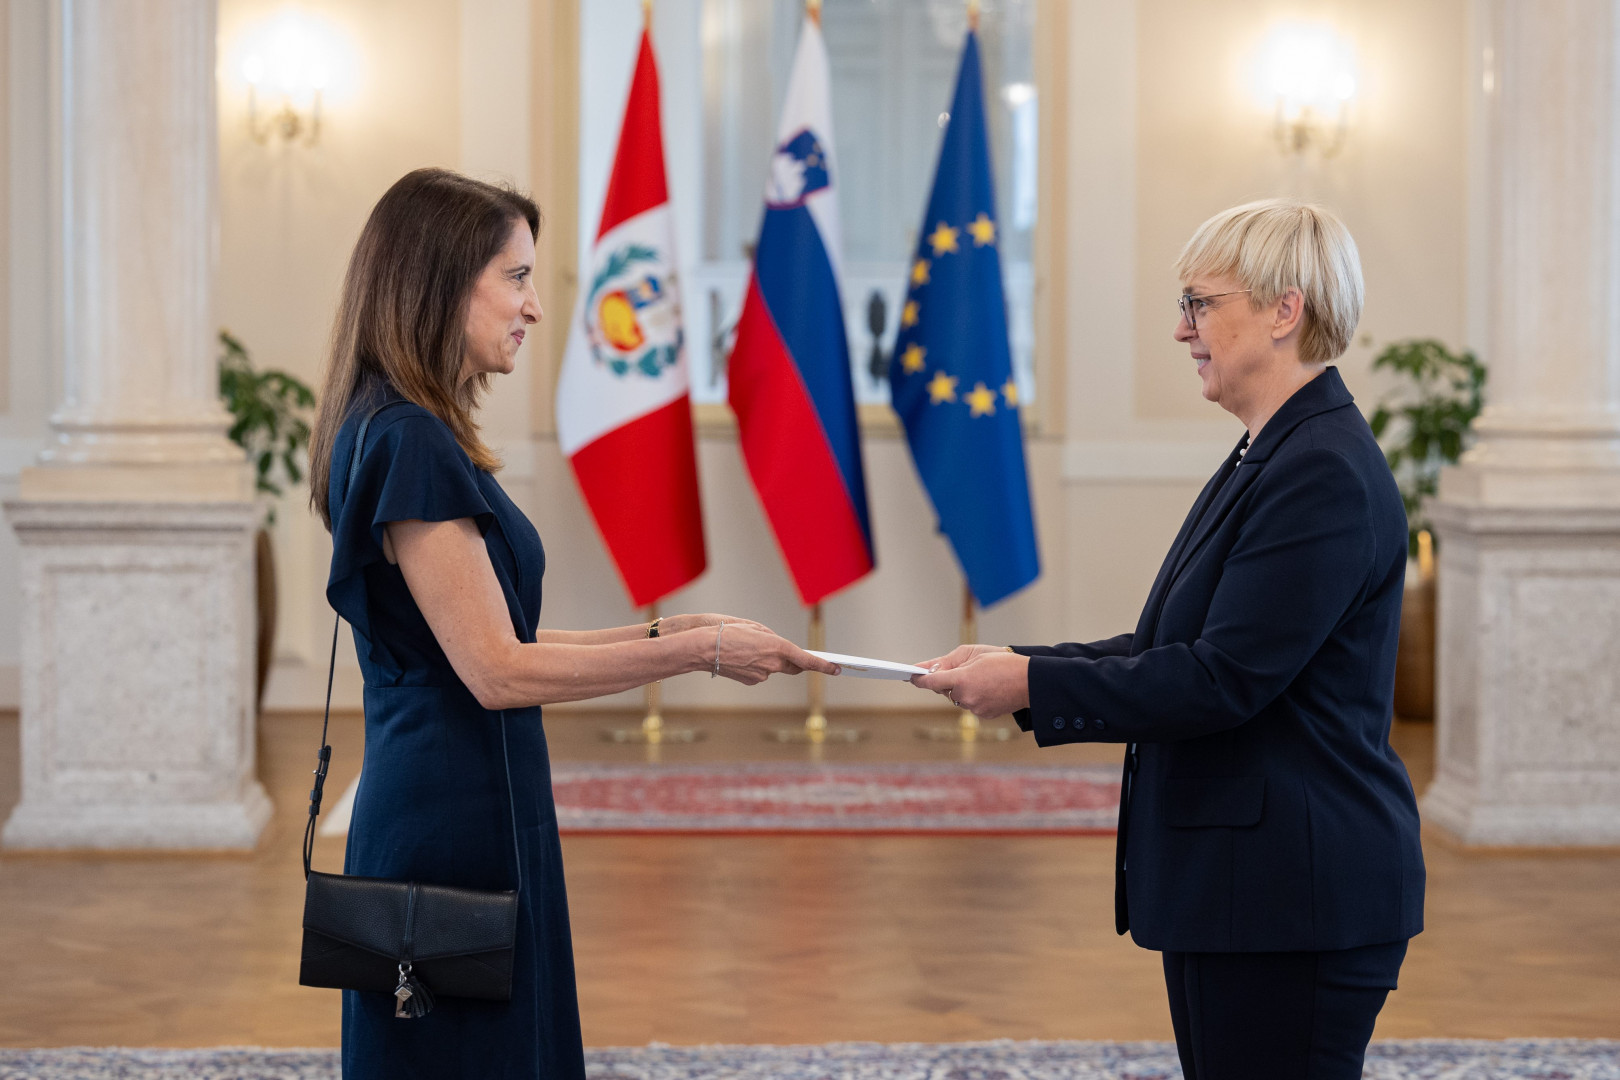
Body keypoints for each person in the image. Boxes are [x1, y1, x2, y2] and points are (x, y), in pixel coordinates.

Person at [307, 167, 836, 1079]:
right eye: (515, 277)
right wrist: (697, 653)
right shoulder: (410, 440)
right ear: (441, 281)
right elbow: (496, 671)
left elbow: (489, 642)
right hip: (451, 818)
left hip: (463, 796)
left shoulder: (389, 425)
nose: (535, 306)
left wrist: (673, 632)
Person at [914, 198, 1425, 1080]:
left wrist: (1031, 687)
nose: (1182, 329)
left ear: (1284, 310)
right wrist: (1024, 664)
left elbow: (1220, 680)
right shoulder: (1273, 451)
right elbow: (1172, 642)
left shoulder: (1321, 470)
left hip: (1293, 895)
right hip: (1244, 887)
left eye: (1199, 304)